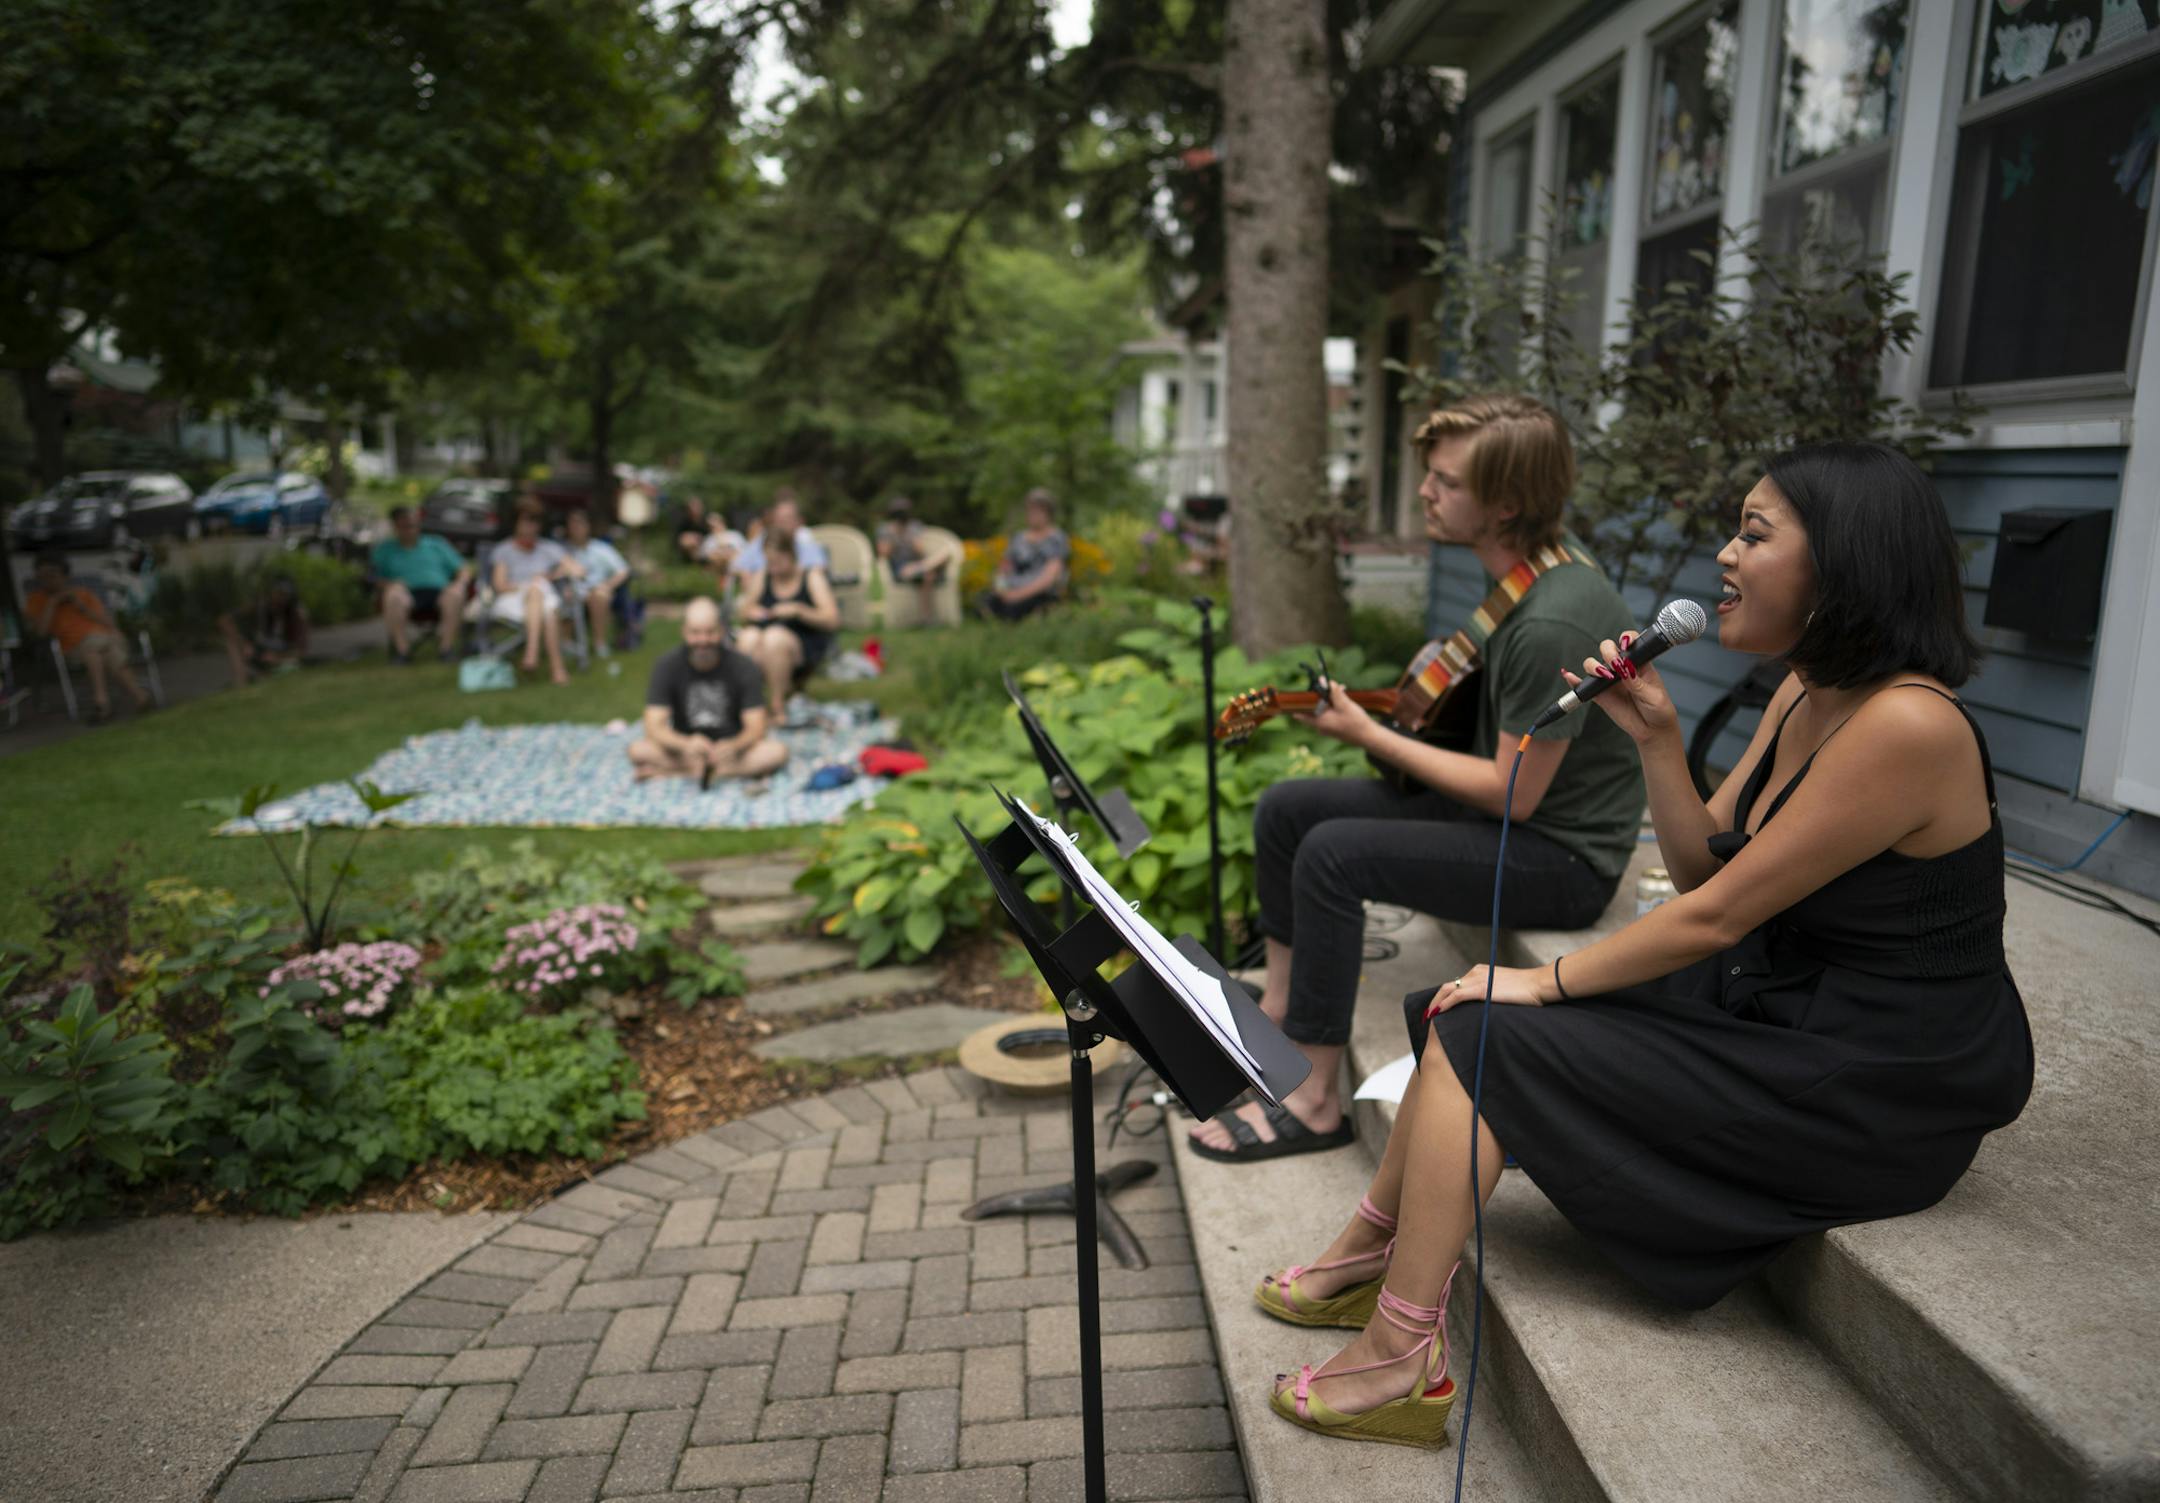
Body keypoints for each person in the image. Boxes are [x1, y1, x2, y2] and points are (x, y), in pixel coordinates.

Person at [1254, 440, 2032, 1451]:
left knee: (1490, 1032)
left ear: (1844, 561)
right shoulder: (1805, 690)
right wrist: (1657, 737)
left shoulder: (1909, 726)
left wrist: (1548, 980)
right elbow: (1707, 867)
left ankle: (1402, 1352)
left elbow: (1713, 918)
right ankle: (1374, 1254)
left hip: (1878, 1078)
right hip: (1784, 1003)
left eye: (1754, 534)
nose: (1724, 556)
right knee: (1465, 1018)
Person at [1190, 395, 1643, 1163]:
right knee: (1286, 809)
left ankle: (1316, 1096)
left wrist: (1370, 735)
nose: (1426, 492)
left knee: (1334, 854)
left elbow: (1514, 791)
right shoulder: (1531, 575)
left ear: (1506, 503)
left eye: (1446, 481)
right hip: (1515, 821)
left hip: (1561, 857)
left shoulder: (1547, 620)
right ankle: (1275, 1013)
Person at [629, 596, 788, 782]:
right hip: (686, 749)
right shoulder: (667, 665)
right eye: (695, 633)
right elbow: (653, 726)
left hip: (732, 749)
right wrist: (685, 744)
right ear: (684, 632)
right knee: (638, 750)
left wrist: (734, 746)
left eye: (710, 632)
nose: (703, 640)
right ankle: (718, 772)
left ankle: (677, 772)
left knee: (776, 752)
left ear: (721, 631)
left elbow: (757, 727)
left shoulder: (744, 666)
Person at [25, 552, 150, 722]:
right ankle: (140, 696)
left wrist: (80, 606)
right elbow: (41, 632)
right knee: (102, 650)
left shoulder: (82, 594)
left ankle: (102, 704)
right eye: (42, 576)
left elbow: (108, 622)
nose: (48, 580)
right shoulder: (36, 600)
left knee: (97, 650)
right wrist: (52, 603)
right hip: (73, 647)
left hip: (99, 640)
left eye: (52, 575)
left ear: (65, 575)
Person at [735, 530, 841, 722]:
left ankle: (777, 707)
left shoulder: (811, 576)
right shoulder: (764, 575)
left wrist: (799, 610)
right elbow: (743, 611)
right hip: (763, 641)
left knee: (774, 638)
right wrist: (753, 611)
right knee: (747, 637)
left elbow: (832, 620)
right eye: (769, 562)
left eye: (777, 562)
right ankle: (751, 706)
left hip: (803, 642)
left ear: (790, 555)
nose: (773, 568)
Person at [489, 500, 581, 684]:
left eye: (535, 522)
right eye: (526, 521)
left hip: (544, 596)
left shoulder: (549, 548)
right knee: (540, 598)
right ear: (516, 523)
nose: (531, 527)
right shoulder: (504, 551)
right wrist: (527, 585)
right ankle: (556, 668)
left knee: (543, 600)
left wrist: (551, 575)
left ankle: (532, 655)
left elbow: (578, 570)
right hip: (514, 599)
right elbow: (499, 585)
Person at [369, 506, 473, 663]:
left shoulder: (436, 544)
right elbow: (373, 578)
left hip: (439, 591)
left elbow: (463, 569)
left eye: (411, 525)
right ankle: (402, 652)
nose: (408, 529)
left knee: (455, 594)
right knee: (393, 595)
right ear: (395, 527)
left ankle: (446, 649)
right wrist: (390, 584)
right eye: (403, 526)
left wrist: (459, 584)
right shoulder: (385, 549)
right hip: (406, 594)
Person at [981, 488, 1069, 620]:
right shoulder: (1018, 538)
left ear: (1048, 513)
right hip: (1012, 588)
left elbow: (1049, 577)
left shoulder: (1056, 538)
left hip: (1038, 591)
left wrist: (1017, 595)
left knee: (1014, 609)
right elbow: (1003, 569)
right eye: (1030, 510)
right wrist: (1002, 590)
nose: (1032, 515)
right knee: (986, 601)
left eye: (1037, 511)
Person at [216, 573, 311, 688]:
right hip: (260, 653)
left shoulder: (296, 613)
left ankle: (263, 676)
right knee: (231, 643)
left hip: (283, 658)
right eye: (278, 593)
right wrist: (243, 643)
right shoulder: (259, 605)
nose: (280, 599)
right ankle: (241, 683)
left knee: (289, 664)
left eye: (285, 595)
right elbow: (224, 620)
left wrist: (278, 657)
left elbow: (301, 651)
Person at [562, 507, 634, 656]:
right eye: (572, 524)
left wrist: (608, 585)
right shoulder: (561, 550)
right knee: (566, 596)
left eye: (580, 524)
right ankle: (566, 642)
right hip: (569, 591)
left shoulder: (601, 548)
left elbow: (624, 570)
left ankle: (599, 643)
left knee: (600, 595)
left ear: (588, 526)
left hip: (596, 589)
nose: (576, 528)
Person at [875, 496, 961, 619]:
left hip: (918, 564)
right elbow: (883, 554)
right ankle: (927, 618)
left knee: (945, 554)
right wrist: (894, 536)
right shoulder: (885, 529)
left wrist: (911, 539)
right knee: (929, 575)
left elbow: (921, 552)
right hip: (900, 567)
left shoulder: (915, 526)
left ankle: (924, 567)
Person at [729, 490, 829, 577]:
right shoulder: (760, 543)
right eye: (779, 519)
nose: (782, 523)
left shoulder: (806, 545)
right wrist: (744, 573)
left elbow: (820, 569)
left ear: (799, 522)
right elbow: (736, 566)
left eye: (787, 519)